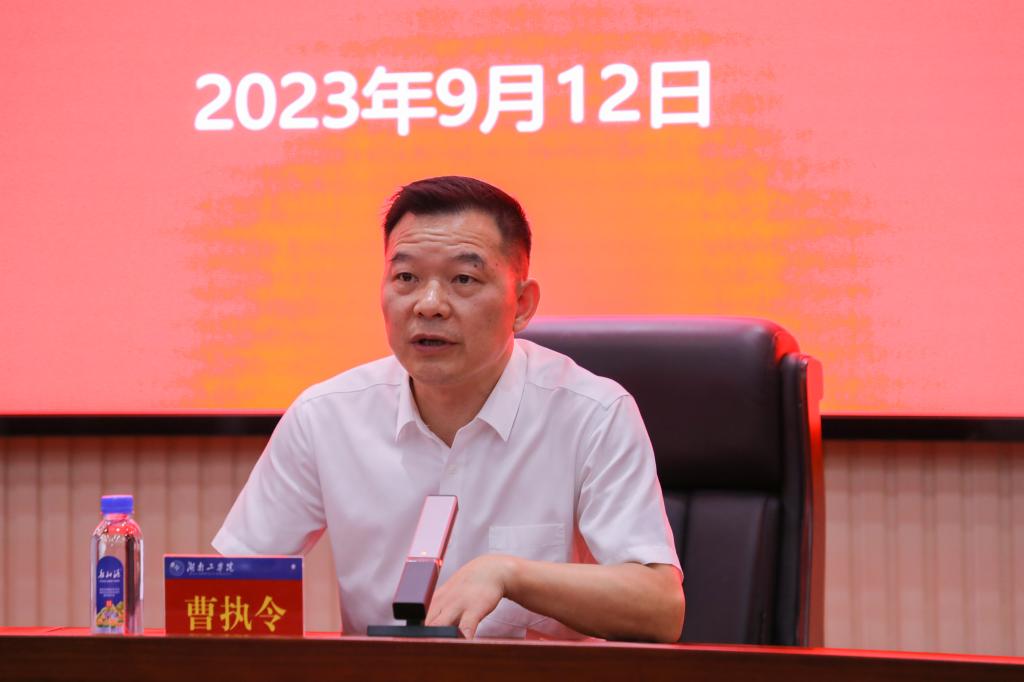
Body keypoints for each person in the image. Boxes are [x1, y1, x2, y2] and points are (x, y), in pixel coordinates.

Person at [213, 176, 684, 642]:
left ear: (522, 304)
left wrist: (511, 575)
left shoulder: (593, 414)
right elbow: (226, 593)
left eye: (463, 279)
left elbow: (660, 609)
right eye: (406, 278)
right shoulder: (325, 417)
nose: (429, 305)